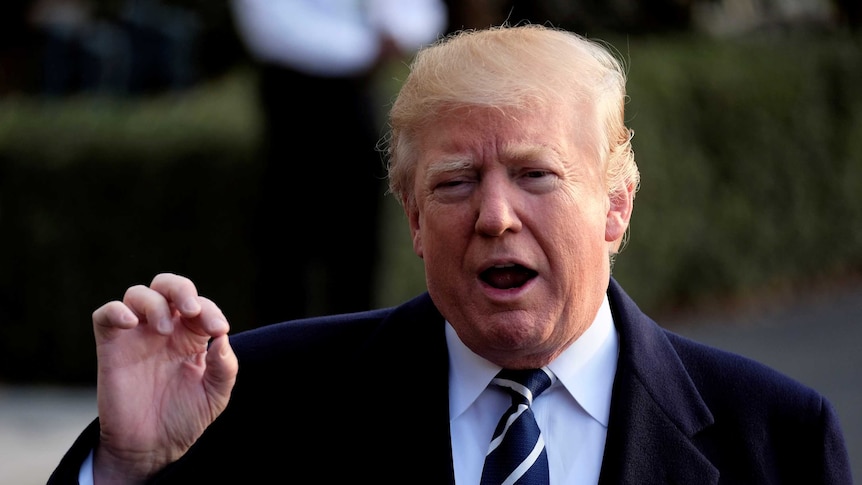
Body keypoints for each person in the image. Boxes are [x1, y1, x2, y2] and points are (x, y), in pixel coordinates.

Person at [49, 24, 852, 484]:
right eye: (457, 182)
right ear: (413, 221)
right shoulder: (260, 404)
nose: (495, 216)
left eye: (536, 174)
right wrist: (127, 468)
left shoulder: (775, 437)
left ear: (616, 205)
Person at [230, 0, 448, 323]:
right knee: (286, 246)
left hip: (357, 98)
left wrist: (394, 32)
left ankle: (355, 356)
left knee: (358, 245)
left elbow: (422, 15)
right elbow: (270, 29)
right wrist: (366, 48)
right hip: (294, 101)